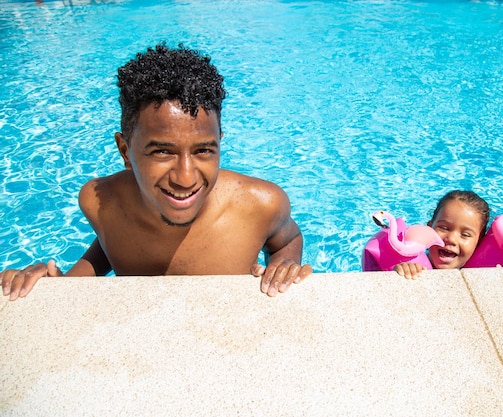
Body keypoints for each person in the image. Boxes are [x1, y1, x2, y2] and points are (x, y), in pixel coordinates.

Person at [1, 43, 311, 301]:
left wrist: (284, 262)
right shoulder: (102, 204)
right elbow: (113, 244)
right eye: (162, 151)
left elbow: (287, 238)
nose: (186, 178)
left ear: (219, 143)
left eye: (203, 150)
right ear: (125, 151)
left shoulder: (260, 205)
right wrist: (59, 285)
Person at [393, 190, 503, 279]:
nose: (452, 239)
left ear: (479, 242)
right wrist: (402, 271)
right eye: (444, 228)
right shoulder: (413, 264)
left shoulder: (488, 271)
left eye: (465, 235)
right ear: (429, 228)